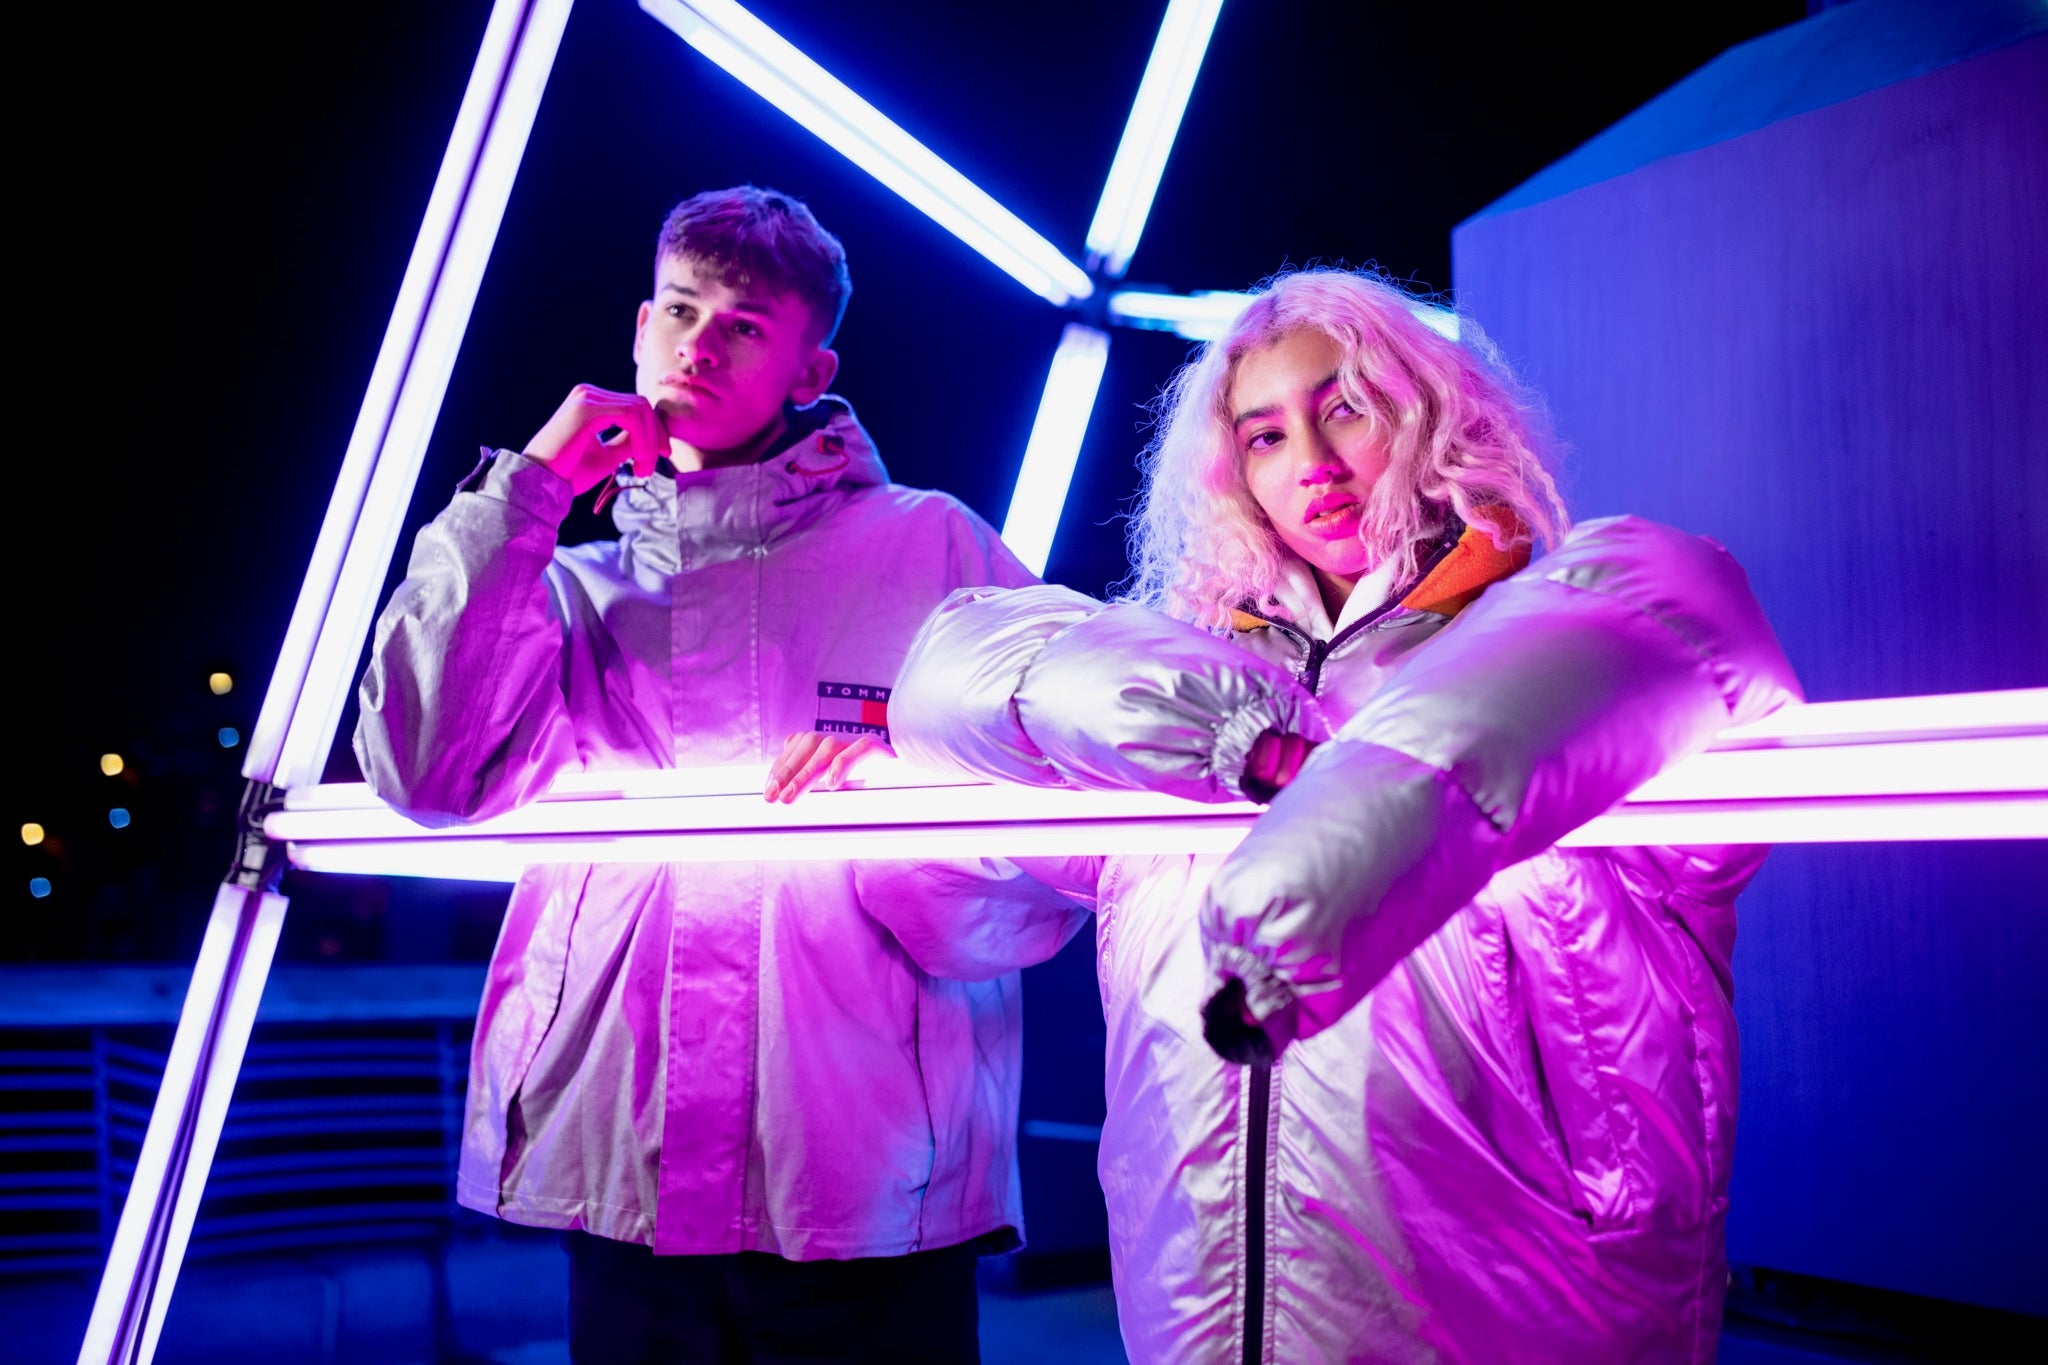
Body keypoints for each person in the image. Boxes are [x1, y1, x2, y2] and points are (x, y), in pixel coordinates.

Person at [849, 268, 1802, 1362]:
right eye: (1261, 435)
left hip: (1527, 1312)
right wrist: (1232, 737)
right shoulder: (1172, 718)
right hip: (1201, 1323)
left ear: (1429, 413)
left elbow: (1672, 607)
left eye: (1342, 406)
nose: (1309, 463)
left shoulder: (1571, 652)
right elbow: (954, 686)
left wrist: (1331, 803)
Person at [355, 186, 1074, 1364]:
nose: (698, 343)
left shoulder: (930, 544)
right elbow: (423, 770)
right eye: (681, 310)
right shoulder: (567, 584)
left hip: (869, 1177)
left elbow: (1053, 824)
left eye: (742, 322)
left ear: (809, 366)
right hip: (627, 1172)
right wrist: (524, 489)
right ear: (638, 327)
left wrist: (904, 797)